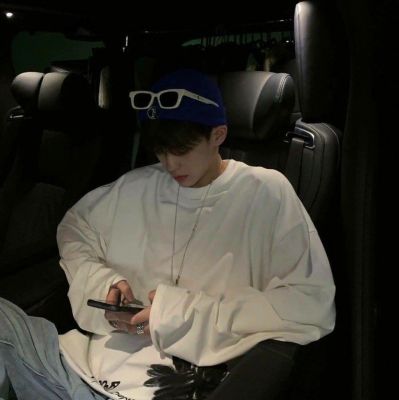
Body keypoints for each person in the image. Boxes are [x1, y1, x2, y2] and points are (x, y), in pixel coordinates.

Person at [0, 69, 335, 400]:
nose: (170, 164)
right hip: (82, 364)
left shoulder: (265, 192)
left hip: (172, 382)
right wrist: (104, 283)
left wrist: (180, 315)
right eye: (161, 151)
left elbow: (308, 302)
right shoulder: (138, 185)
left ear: (218, 135)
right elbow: (74, 229)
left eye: (182, 149)